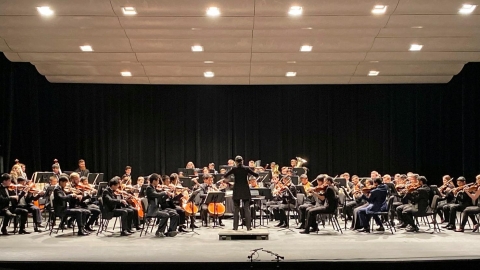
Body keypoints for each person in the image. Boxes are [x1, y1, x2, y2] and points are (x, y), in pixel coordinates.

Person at [224, 156, 258, 230]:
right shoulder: (246, 168)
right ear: (242, 161)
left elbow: (225, 175)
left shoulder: (234, 169)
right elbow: (256, 175)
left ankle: (235, 227)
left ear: (235, 162)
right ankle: (249, 227)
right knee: (247, 208)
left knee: (236, 209)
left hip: (237, 190)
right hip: (245, 190)